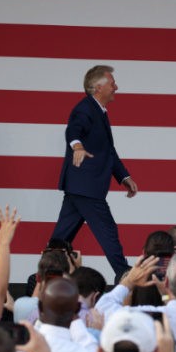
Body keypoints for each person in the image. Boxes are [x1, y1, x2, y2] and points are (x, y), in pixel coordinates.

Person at [51, 65, 138, 280]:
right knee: (108, 232)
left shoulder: (97, 111)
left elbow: (108, 150)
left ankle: (45, 276)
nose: (116, 87)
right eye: (112, 83)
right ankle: (125, 276)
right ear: (98, 87)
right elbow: (73, 131)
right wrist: (77, 147)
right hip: (87, 188)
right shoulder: (85, 109)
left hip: (80, 187)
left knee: (60, 240)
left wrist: (124, 177)